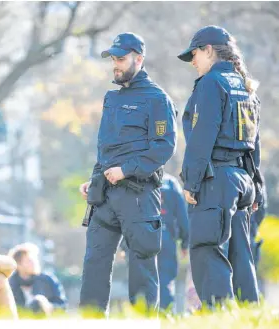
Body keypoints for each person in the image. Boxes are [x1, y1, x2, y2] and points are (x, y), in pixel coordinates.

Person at [78, 32, 177, 316]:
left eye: (120, 59)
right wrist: (95, 178)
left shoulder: (157, 99)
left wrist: (126, 171)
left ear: (139, 59)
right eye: (113, 60)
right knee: (94, 263)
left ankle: (143, 322)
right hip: (105, 197)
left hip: (139, 196)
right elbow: (106, 148)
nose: (115, 65)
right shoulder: (111, 99)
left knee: (142, 266)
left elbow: (165, 146)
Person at [178, 25, 263, 307]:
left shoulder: (212, 84)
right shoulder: (245, 86)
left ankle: (218, 315)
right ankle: (248, 314)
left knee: (207, 248)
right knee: (241, 254)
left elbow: (202, 136)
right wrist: (256, 187)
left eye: (195, 54)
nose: (192, 61)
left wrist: (191, 183)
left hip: (216, 180)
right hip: (242, 182)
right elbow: (255, 143)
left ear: (209, 50)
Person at [8, 243, 67, 318]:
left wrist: (48, 306)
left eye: (35, 259)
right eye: (29, 261)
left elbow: (63, 306)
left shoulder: (48, 279)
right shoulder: (10, 284)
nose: (34, 263)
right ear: (18, 265)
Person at [157, 173, 189, 312]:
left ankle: (145, 314)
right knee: (166, 279)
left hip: (142, 238)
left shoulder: (138, 176)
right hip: (166, 238)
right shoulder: (171, 183)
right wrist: (185, 243)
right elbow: (182, 216)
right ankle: (165, 313)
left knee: (143, 279)